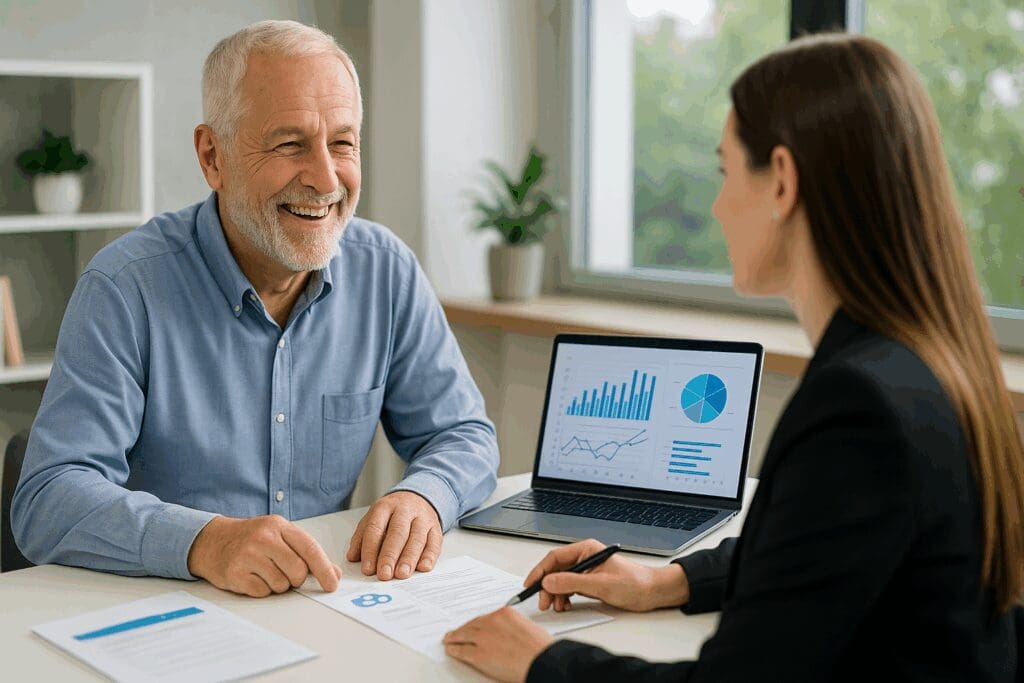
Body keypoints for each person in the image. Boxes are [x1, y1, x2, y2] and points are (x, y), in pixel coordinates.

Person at [443, 32, 1023, 681]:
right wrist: (666, 579)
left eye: (725, 171)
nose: (717, 205)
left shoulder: (859, 406)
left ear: (781, 180)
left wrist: (544, 659)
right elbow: (823, 554)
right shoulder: (929, 361)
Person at [12, 20, 499, 598]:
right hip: (169, 614)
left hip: (327, 610)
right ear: (212, 156)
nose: (325, 179)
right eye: (290, 144)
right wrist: (204, 542)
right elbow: (48, 497)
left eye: (342, 143)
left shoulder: (385, 270)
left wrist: (426, 493)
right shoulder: (124, 287)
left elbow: (464, 434)